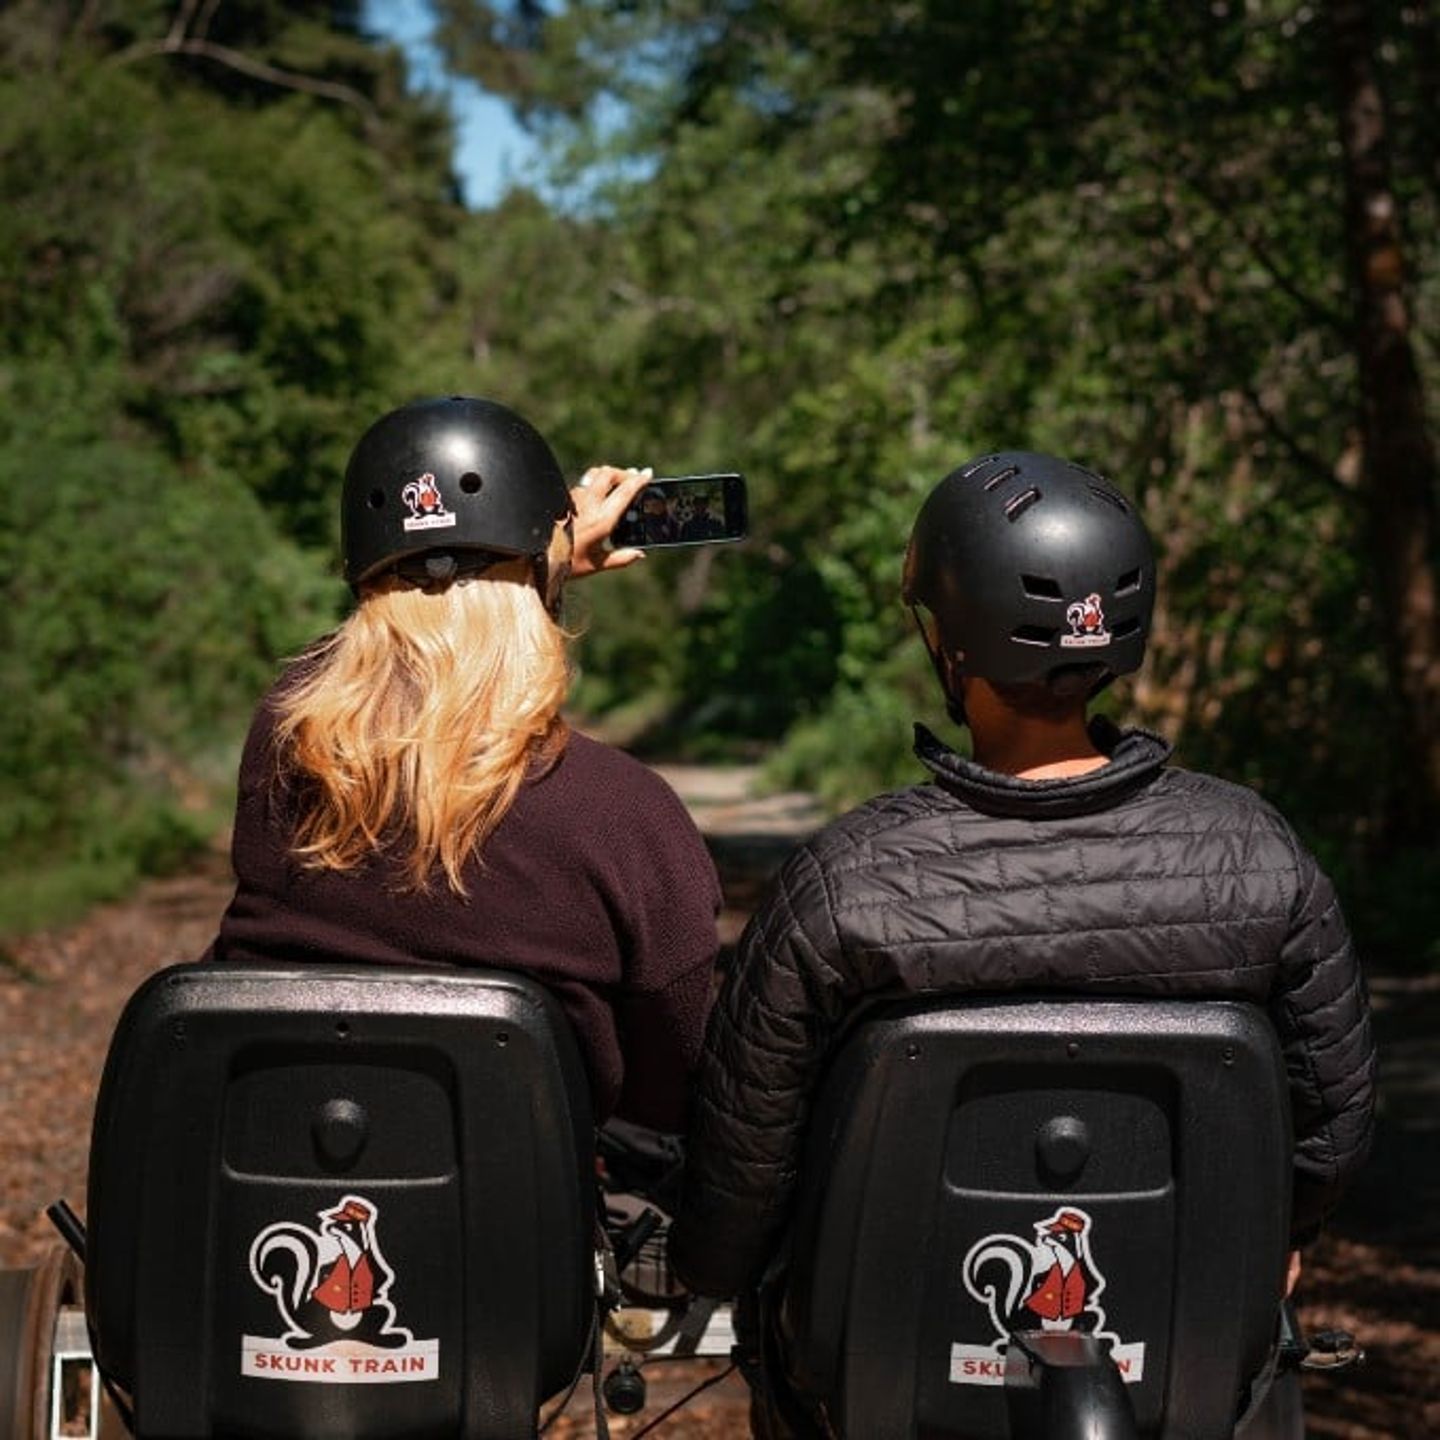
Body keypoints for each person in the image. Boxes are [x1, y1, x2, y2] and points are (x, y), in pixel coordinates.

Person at [667, 450, 1377, 1428]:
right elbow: (1334, 1130)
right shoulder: (1261, 855)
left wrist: (714, 1271)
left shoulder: (843, 880)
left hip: (884, 1383)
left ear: (951, 649)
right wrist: (1278, 1236)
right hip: (1181, 1365)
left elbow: (738, 1173)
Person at [205, 395, 722, 1132]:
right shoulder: (622, 811)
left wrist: (525, 557)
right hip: (521, 1201)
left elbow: (331, 671)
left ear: (362, 579)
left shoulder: (286, 748)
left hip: (267, 1166)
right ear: (546, 567)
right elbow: (678, 1076)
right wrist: (543, 566)